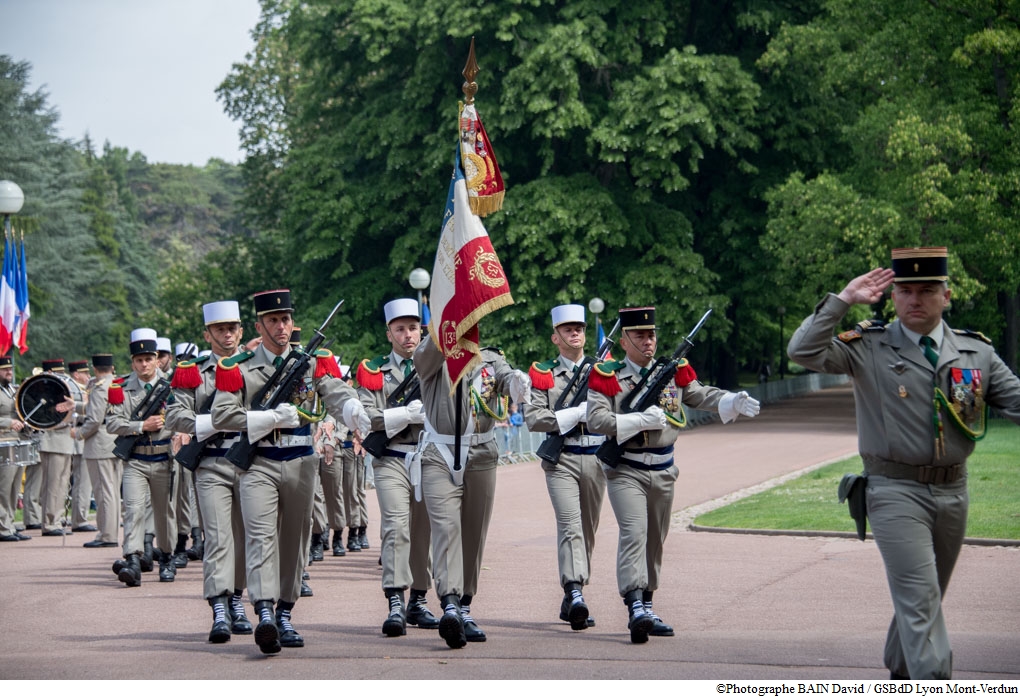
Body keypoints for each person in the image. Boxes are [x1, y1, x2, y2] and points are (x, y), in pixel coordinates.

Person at [787, 246, 1020, 679]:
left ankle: (900, 671)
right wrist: (842, 300)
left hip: (955, 491)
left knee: (926, 598)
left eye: (927, 290)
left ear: (946, 296)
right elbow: (802, 351)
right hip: (894, 491)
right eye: (905, 290)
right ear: (891, 297)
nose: (915, 299)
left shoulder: (976, 352)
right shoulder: (867, 346)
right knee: (920, 596)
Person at [587, 306, 760, 644]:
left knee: (655, 539)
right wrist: (635, 421)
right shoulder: (607, 375)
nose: (648, 341)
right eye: (639, 335)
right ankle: (634, 604)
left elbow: (699, 394)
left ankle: (648, 604)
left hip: (664, 468)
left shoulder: (670, 372)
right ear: (624, 340)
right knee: (634, 533)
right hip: (626, 468)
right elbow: (596, 419)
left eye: (651, 334)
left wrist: (730, 400)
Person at [210, 289, 360, 655]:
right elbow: (221, 415)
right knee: (260, 537)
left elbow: (333, 391)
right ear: (259, 326)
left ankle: (285, 612)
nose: (281, 326)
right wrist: (266, 417)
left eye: (286, 320)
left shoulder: (309, 363)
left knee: (295, 540)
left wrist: (353, 407)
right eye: (273, 321)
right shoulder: (240, 366)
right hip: (258, 462)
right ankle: (264, 612)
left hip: (300, 461)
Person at [407, 331, 531, 649]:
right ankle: (449, 602)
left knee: (473, 534)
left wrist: (517, 382)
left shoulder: (490, 358)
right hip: (441, 453)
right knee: (447, 529)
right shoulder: (432, 353)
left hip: (481, 452)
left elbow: (504, 379)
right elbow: (422, 359)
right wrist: (443, 328)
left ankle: (464, 605)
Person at [165, 300, 253, 643]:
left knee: (245, 539)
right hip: (212, 462)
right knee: (218, 537)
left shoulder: (251, 367)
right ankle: (218, 607)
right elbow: (175, 415)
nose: (227, 334)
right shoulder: (194, 371)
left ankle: (236, 600)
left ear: (241, 331)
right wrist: (213, 423)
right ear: (208, 333)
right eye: (220, 329)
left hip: (248, 463)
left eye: (232, 328)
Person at [357, 298, 440, 637]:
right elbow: (368, 416)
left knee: (424, 532)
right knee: (395, 526)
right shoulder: (374, 370)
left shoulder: (434, 365)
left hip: (429, 457)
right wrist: (405, 414)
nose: (408, 335)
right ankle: (395, 599)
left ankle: (418, 600)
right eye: (401, 329)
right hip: (391, 456)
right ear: (389, 332)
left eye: (414, 328)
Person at [525, 303, 606, 630]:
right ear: (555, 337)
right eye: (568, 329)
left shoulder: (602, 370)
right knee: (570, 525)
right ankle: (574, 592)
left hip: (597, 458)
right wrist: (570, 416)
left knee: (587, 530)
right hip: (563, 459)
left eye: (580, 328)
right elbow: (533, 417)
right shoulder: (544, 374)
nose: (575, 333)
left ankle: (574, 591)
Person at [106, 328, 177, 586]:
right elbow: (112, 423)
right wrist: (140, 426)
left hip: (164, 458)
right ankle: (133, 560)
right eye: (139, 360)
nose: (144, 364)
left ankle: (167, 557)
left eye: (149, 358)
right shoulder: (121, 387)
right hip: (136, 459)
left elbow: (183, 417)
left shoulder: (173, 386)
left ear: (157, 358)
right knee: (133, 509)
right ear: (132, 362)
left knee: (164, 513)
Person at [79, 354, 120, 548]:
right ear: (111, 368)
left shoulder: (99, 388)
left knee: (103, 492)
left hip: (99, 443)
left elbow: (94, 419)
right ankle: (109, 532)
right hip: (113, 441)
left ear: (95, 369)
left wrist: (78, 433)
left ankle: (107, 535)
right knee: (111, 491)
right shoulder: (116, 383)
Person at [37, 358, 82, 537]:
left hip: (65, 440)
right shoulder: (43, 393)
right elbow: (43, 418)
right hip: (52, 440)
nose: (61, 376)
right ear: (49, 373)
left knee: (62, 484)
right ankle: (49, 523)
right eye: (57, 373)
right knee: (52, 485)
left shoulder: (61, 391)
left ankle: (57, 518)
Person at [0, 354, 33, 542]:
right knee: (3, 488)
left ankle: (9, 524)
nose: (9, 373)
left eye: (10, 370)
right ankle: (2, 527)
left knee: (13, 488)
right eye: (5, 370)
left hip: (17, 443)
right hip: (3, 442)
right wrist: (8, 422)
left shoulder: (13, 390)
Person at [67, 360, 96, 534]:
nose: (88, 376)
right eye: (85, 373)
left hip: (82, 437)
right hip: (78, 436)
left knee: (84, 482)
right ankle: (79, 519)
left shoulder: (82, 388)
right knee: (82, 481)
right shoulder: (73, 388)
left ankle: (80, 517)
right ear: (77, 374)